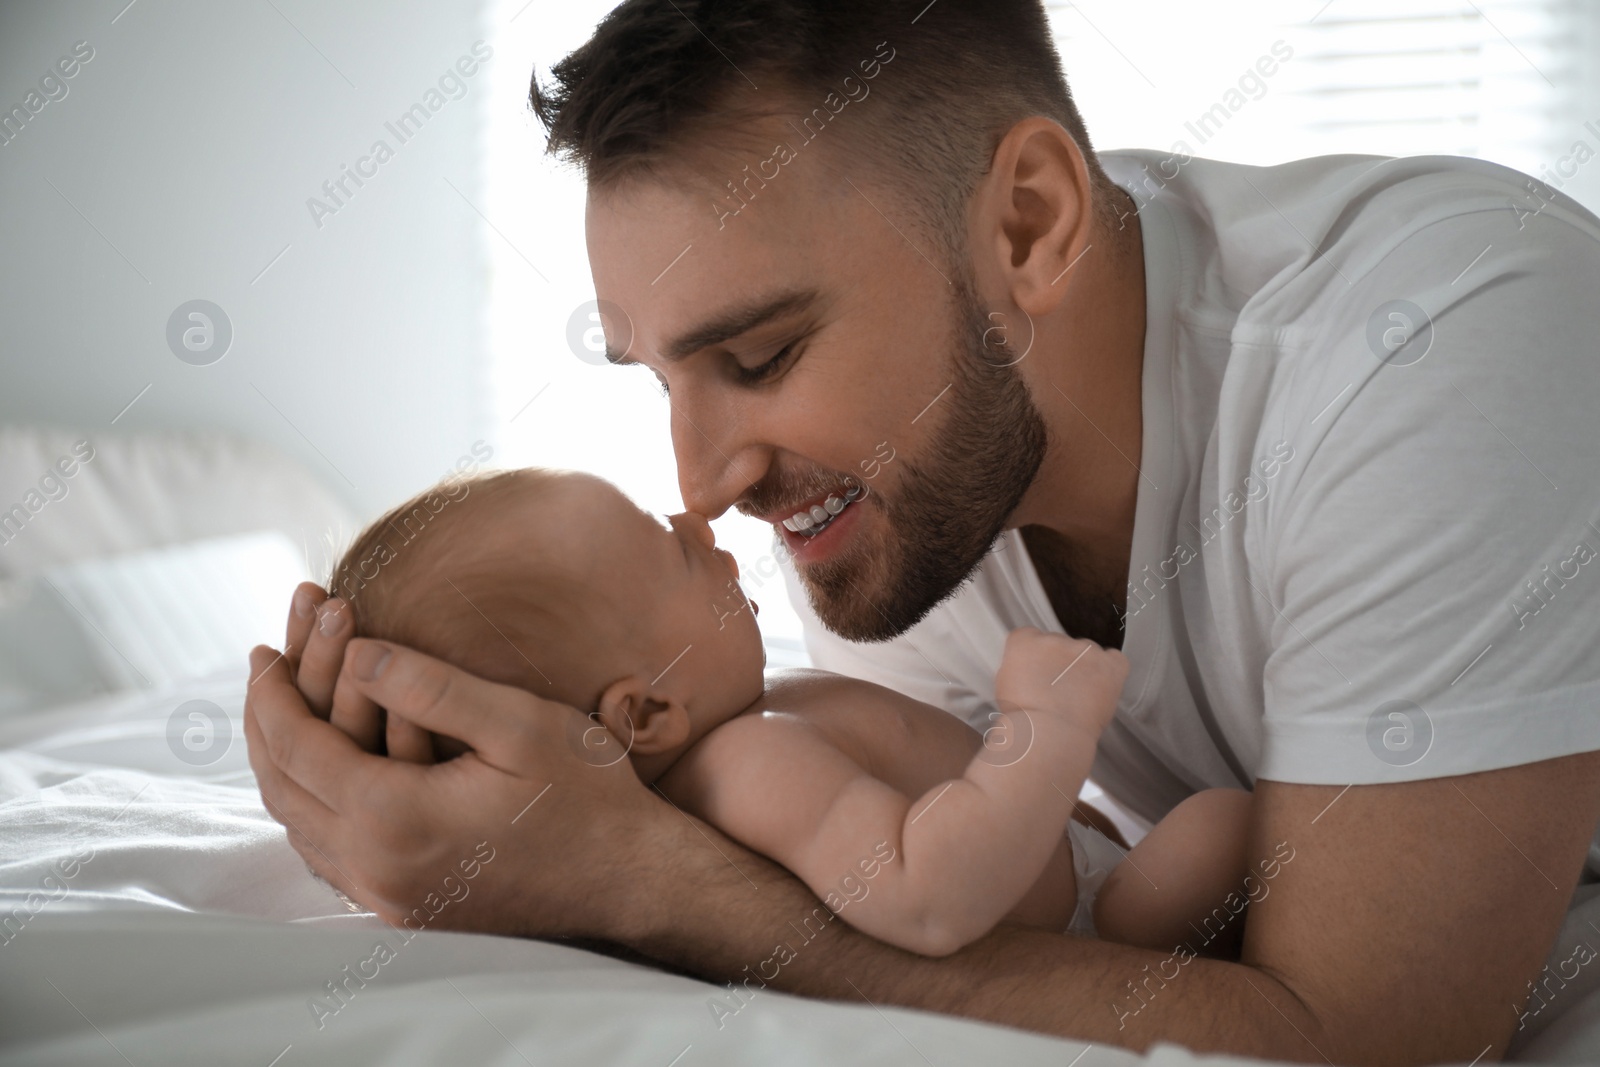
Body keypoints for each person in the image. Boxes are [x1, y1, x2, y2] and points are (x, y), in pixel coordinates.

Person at [246, 1, 1600, 1061]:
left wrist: (635, 875)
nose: (705, 482)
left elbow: (1376, 1043)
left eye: (763, 355)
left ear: (1029, 225)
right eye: (659, 379)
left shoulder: (1438, 348)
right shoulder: (903, 515)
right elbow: (978, 916)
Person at [321, 466, 1255, 958]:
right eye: (672, 551)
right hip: (1094, 930)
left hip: (1070, 862)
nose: (698, 522)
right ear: (646, 712)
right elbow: (928, 894)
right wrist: (1040, 734)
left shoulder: (750, 722)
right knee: (1230, 825)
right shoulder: (750, 768)